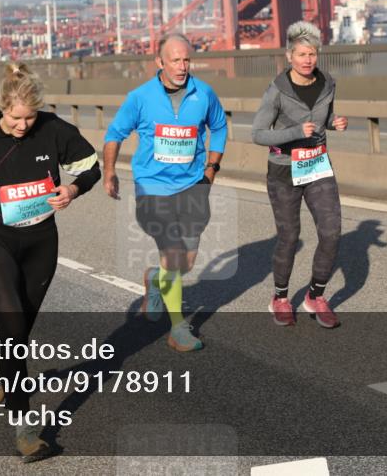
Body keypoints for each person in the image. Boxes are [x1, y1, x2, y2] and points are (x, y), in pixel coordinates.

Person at [0, 63, 100, 462]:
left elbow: (90, 166)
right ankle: (24, 427)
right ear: (1, 109)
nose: (23, 125)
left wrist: (72, 189)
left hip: (40, 243)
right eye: (15, 117)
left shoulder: (53, 129)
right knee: (14, 328)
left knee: (20, 330)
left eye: (30, 117)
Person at [103, 33, 227, 352]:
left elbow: (220, 127)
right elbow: (115, 134)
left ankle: (155, 280)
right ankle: (178, 329)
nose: (182, 66)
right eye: (175, 60)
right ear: (159, 62)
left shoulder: (204, 93)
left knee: (186, 261)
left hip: (192, 187)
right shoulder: (140, 97)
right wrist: (109, 172)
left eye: (186, 59)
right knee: (173, 255)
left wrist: (212, 167)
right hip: (152, 190)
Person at [251, 22, 349, 328]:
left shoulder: (328, 83)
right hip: (284, 171)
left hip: (318, 165)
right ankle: (280, 298)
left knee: (331, 232)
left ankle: (315, 296)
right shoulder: (277, 90)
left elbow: (321, 117)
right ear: (290, 56)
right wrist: (294, 132)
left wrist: (334, 123)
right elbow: (257, 134)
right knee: (290, 237)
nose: (308, 60)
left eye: (312, 54)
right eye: (302, 54)